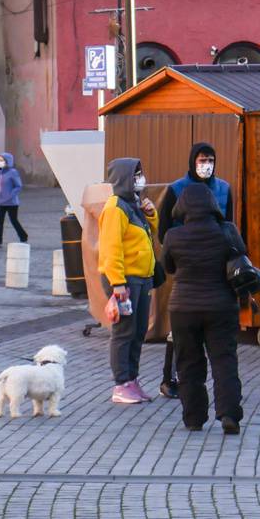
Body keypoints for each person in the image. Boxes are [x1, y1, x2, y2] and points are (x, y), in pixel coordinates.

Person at [160, 183, 245, 433]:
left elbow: (169, 267)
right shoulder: (227, 231)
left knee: (188, 363)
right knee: (224, 361)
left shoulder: (173, 236)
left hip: (183, 308)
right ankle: (229, 414)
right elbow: (241, 257)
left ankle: (194, 418)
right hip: (221, 305)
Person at [155, 142, 236, 398]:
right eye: (202, 160)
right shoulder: (177, 189)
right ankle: (171, 377)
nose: (206, 165)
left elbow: (229, 224)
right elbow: (164, 228)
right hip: (185, 265)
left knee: (214, 339)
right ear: (193, 162)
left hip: (216, 266)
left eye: (210, 160)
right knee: (180, 328)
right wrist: (179, 250)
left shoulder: (223, 188)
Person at [98, 158, 159, 405]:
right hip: (125, 280)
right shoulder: (115, 208)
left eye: (140, 174)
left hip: (142, 278)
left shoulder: (133, 204)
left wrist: (151, 215)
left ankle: (132, 379)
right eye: (135, 175)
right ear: (123, 178)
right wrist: (118, 283)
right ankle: (121, 382)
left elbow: (147, 235)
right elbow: (110, 249)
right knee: (124, 331)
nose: (140, 179)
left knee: (139, 330)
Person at [0, 152, 28, 248]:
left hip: (11, 202)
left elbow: (18, 186)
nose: (0, 162)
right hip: (0, 202)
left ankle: (23, 237)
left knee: (14, 220)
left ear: (8, 161)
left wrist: (10, 196)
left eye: (2, 160)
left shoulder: (13, 172)